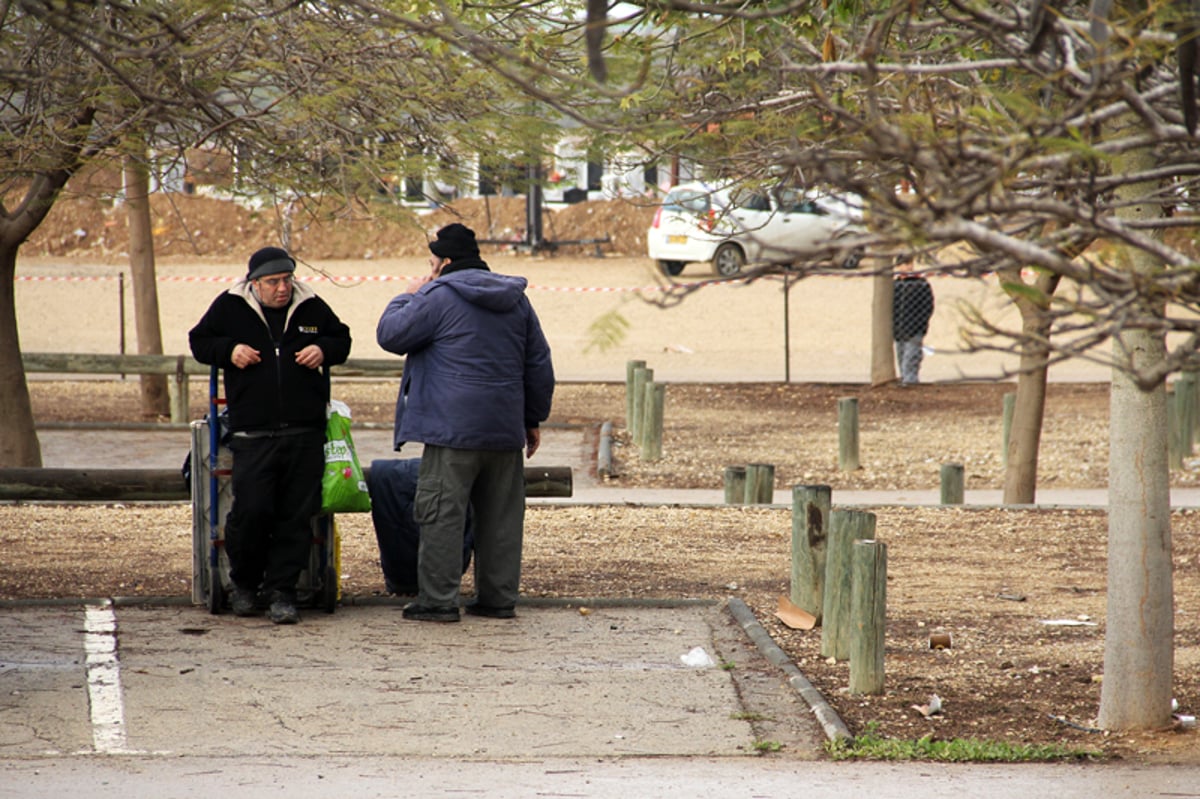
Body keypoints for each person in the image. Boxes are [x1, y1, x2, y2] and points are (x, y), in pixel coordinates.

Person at [376, 223, 555, 623]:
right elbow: (538, 362)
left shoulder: (437, 296)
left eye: (433, 262)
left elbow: (390, 335)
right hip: (504, 429)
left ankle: (438, 601)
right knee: (501, 519)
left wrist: (407, 295)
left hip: (451, 429)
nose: (430, 269)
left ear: (446, 262)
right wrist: (532, 419)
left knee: (441, 514)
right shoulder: (516, 300)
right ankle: (498, 600)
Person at [189, 246, 351, 624]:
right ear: (255, 283)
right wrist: (230, 350)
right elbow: (199, 342)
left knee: (296, 516)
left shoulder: (311, 306)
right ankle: (244, 584)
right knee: (252, 511)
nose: (283, 288)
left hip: (304, 431)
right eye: (274, 282)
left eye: (287, 279)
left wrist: (321, 349)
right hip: (252, 432)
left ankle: (283, 592)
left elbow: (341, 341)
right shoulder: (230, 306)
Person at [892, 258, 935, 386]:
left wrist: (920, 326)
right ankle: (905, 381)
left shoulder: (921, 284)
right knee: (901, 357)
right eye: (904, 264)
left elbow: (928, 307)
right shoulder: (895, 285)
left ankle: (910, 384)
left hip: (915, 330)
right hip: (898, 329)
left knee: (910, 359)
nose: (908, 267)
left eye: (909, 263)